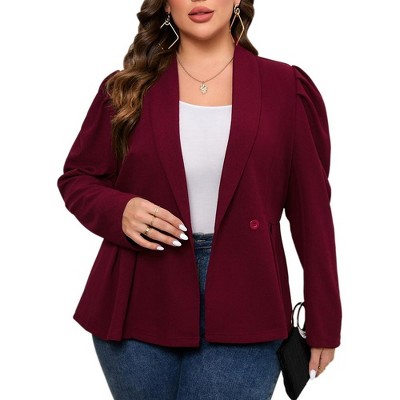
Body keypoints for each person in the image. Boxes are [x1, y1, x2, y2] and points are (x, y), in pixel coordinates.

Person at [58, 0, 342, 399]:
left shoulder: (286, 87)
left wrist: (325, 317)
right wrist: (119, 210)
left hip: (249, 296)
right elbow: (79, 177)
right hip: (138, 297)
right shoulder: (127, 87)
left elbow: (312, 212)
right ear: (165, 5)